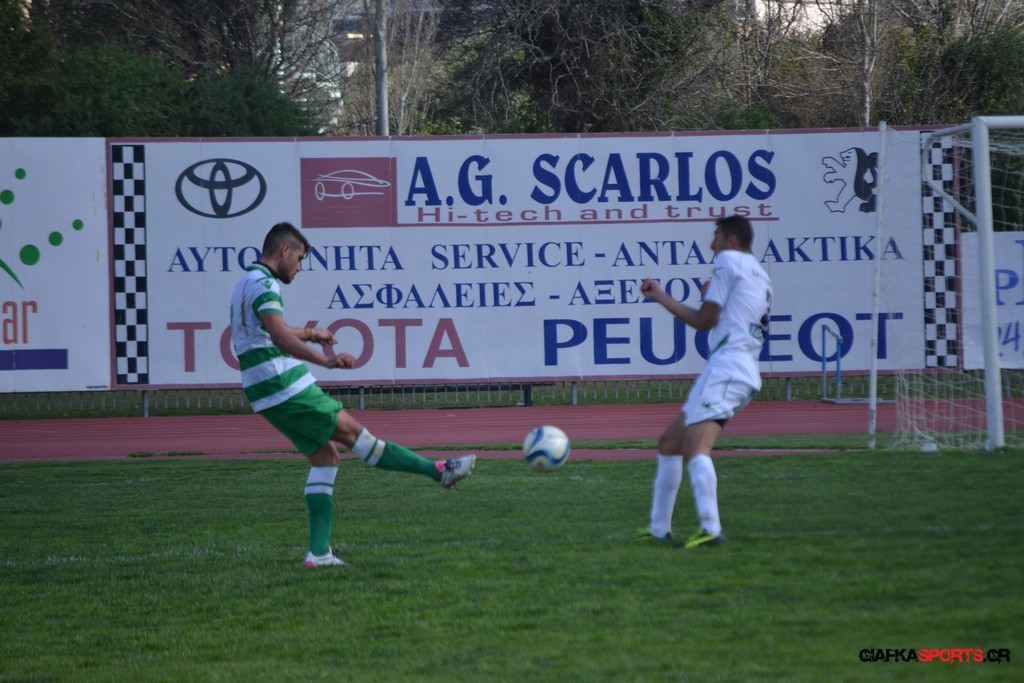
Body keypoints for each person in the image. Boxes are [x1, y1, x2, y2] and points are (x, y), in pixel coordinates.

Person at [230, 222, 476, 568]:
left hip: (264, 389)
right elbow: (280, 337)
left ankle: (319, 553)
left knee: (326, 458)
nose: (299, 268)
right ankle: (438, 471)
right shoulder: (267, 284)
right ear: (284, 250)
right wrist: (326, 362)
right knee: (358, 437)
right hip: (281, 381)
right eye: (299, 259)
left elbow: (271, 331)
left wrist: (312, 333)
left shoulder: (246, 281)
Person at [637, 215, 772, 549]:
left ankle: (711, 528)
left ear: (731, 240)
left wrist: (662, 296)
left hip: (728, 368)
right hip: (733, 368)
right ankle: (658, 529)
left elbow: (703, 320)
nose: (712, 245)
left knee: (696, 448)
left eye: (716, 237)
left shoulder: (728, 261)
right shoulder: (758, 272)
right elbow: (731, 315)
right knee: (670, 442)